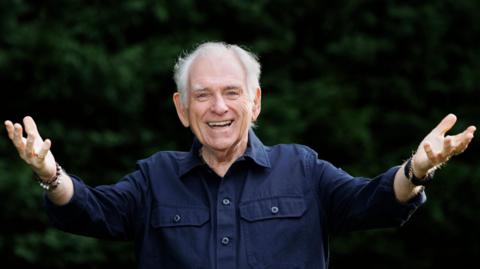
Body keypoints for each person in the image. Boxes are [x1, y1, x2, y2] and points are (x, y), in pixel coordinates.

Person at [4, 42, 476, 269]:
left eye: (232, 92)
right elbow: (92, 211)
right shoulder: (154, 177)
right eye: (203, 96)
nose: (219, 107)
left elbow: (373, 201)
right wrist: (50, 173)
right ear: (182, 109)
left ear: (255, 103)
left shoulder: (303, 168)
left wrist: (416, 169)